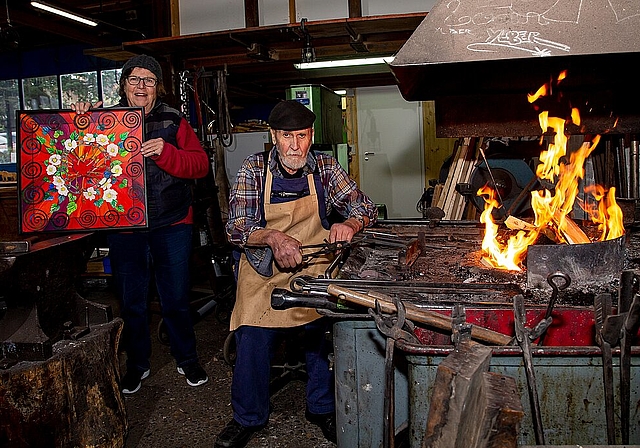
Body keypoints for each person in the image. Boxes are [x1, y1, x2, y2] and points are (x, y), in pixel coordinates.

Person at [216, 100, 378, 448]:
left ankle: (321, 407)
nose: (294, 146)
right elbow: (236, 228)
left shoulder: (323, 166)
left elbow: (364, 206)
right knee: (253, 336)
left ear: (311, 135)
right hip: (264, 268)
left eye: (301, 136)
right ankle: (248, 416)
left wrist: (350, 223)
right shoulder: (254, 169)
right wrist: (272, 237)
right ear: (274, 136)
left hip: (315, 264)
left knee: (319, 330)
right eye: (286, 136)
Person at [72, 54, 211, 394]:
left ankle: (186, 357)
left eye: (149, 80)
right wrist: (77, 123)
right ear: (123, 84)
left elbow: (200, 166)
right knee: (131, 300)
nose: (141, 87)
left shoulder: (174, 121)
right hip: (124, 228)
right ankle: (137, 364)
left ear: (157, 87)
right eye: (134, 79)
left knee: (176, 297)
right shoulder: (105, 119)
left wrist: (166, 151)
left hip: (172, 221)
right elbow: (78, 162)